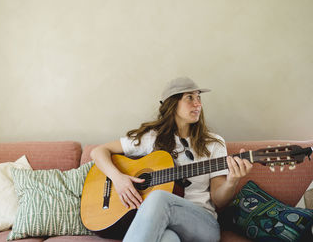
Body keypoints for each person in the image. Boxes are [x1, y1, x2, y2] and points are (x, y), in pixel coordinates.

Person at [90, 76, 253, 242]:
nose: (198, 104)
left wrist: (232, 180)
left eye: (198, 97)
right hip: (165, 225)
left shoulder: (214, 143)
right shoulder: (152, 138)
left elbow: (219, 201)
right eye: (190, 98)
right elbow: (98, 152)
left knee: (158, 197)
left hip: (203, 224)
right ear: (172, 104)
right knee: (167, 239)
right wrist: (118, 179)